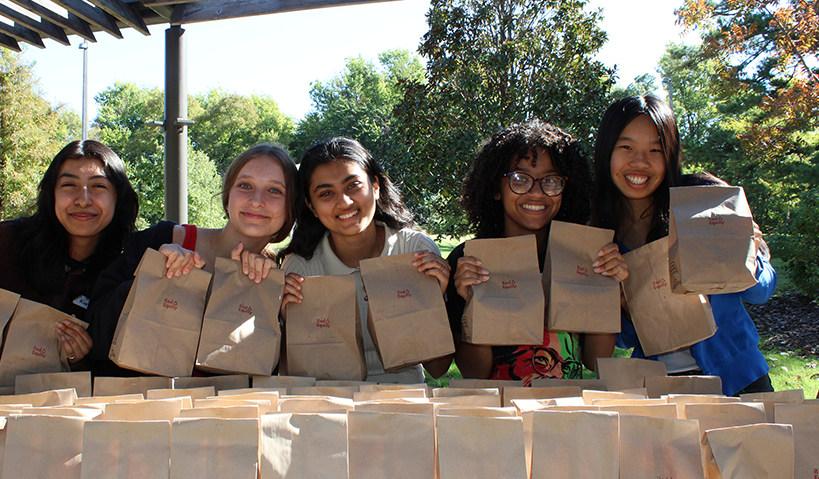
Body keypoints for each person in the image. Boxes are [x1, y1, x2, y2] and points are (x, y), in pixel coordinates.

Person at [593, 95, 776, 396]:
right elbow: (625, 339)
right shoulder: (602, 235)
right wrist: (622, 301)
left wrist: (747, 251)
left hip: (739, 381)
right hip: (658, 389)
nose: (640, 162)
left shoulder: (703, 202)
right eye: (626, 147)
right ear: (606, 152)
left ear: (671, 155)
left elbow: (761, 291)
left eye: (656, 149)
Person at [0, 140, 139, 369]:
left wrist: (81, 359)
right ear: (51, 193)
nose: (83, 199)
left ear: (119, 196)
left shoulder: (131, 265)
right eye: (68, 185)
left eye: (98, 186)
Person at [87, 143, 299, 376]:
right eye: (245, 185)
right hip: (136, 406)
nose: (257, 200)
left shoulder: (276, 281)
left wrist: (282, 316)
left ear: (292, 208)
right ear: (228, 197)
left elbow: (269, 374)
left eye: (275, 190)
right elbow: (93, 334)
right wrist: (153, 276)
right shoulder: (163, 240)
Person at [445, 121, 626, 384]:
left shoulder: (582, 256)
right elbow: (474, 373)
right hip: (498, 416)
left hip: (564, 413)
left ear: (567, 188)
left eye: (551, 181)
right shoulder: (469, 260)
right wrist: (472, 303)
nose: (537, 192)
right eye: (520, 179)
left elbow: (596, 360)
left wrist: (608, 291)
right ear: (496, 188)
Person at [280, 137, 452, 383]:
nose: (345, 202)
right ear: (311, 206)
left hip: (406, 406)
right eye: (326, 193)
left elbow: (439, 368)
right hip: (331, 405)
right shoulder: (300, 269)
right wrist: (290, 323)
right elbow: (293, 377)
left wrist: (435, 303)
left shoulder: (415, 251)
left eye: (353, 185)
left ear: (376, 186)